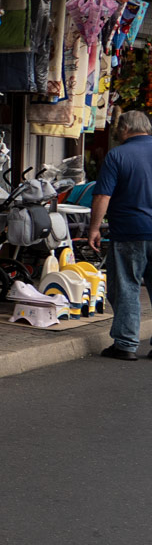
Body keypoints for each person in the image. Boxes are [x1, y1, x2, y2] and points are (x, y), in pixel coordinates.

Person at [86, 108, 152, 360]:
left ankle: (125, 344)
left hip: (129, 231)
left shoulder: (118, 155)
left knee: (126, 287)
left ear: (124, 129)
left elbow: (103, 195)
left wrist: (94, 228)